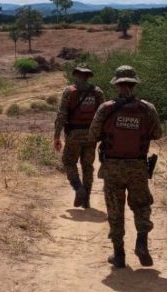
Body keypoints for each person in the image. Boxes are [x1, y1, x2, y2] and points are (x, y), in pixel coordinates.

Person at [89, 65, 162, 268]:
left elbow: (93, 135)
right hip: (138, 166)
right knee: (141, 205)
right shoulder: (147, 108)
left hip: (112, 166)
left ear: (117, 85)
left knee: (115, 209)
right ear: (134, 84)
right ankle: (141, 243)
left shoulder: (106, 108)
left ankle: (119, 254)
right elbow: (158, 134)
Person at [53, 63, 104, 208]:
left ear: (76, 75)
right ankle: (86, 198)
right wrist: (103, 136)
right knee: (87, 166)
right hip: (91, 135)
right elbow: (103, 115)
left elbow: (61, 115)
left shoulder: (69, 91)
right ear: (88, 76)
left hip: (74, 134)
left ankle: (78, 189)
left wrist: (56, 136)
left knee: (69, 162)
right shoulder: (97, 92)